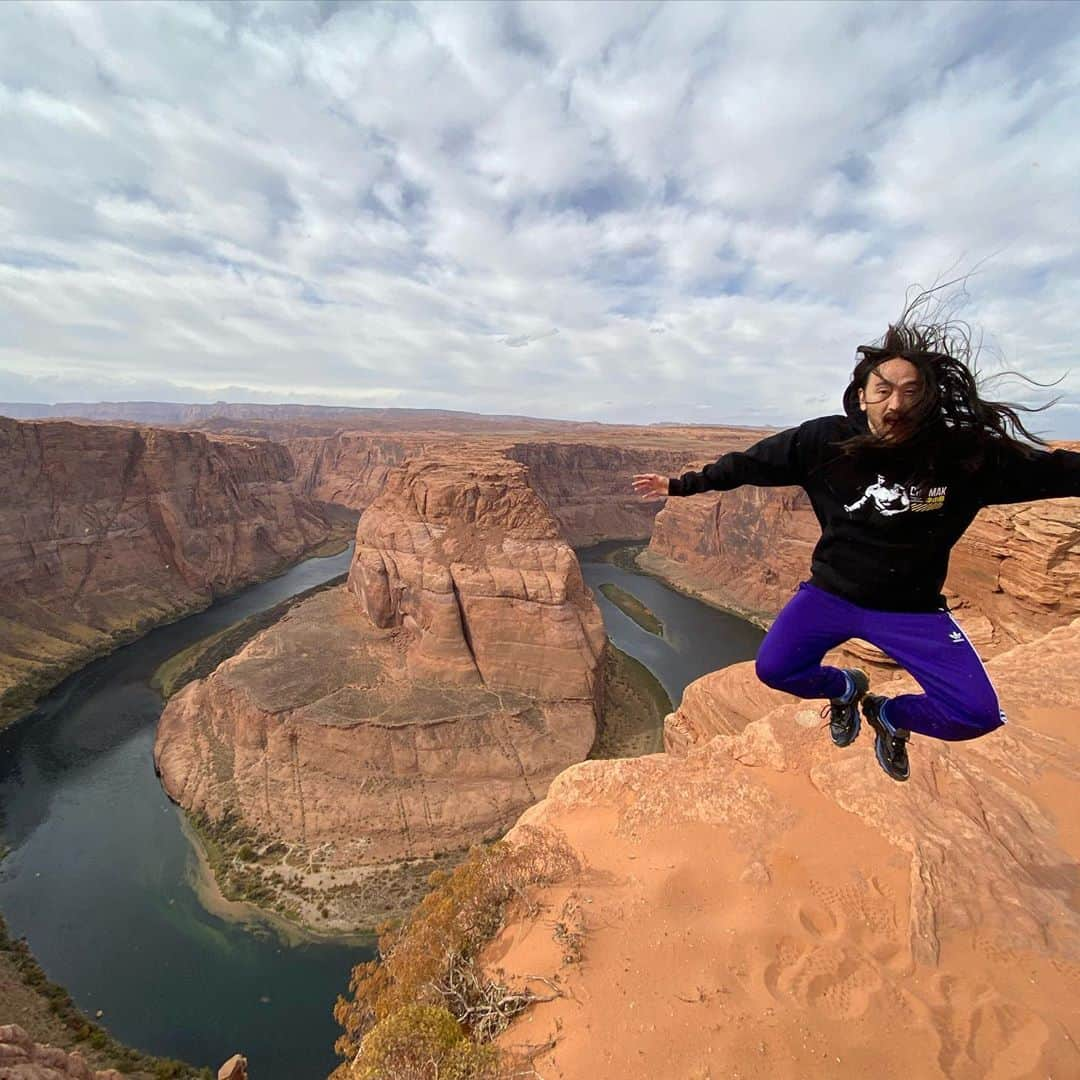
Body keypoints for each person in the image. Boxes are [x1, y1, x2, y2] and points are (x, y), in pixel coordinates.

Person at [632, 298, 1080, 781]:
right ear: (862, 394)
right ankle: (845, 686)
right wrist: (681, 485)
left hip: (913, 612)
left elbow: (1052, 470)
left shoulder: (963, 458)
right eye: (883, 390)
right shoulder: (823, 442)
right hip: (831, 596)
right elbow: (749, 464)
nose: (896, 404)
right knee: (776, 670)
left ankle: (890, 716)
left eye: (911, 393)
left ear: (926, 400)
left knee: (976, 715)